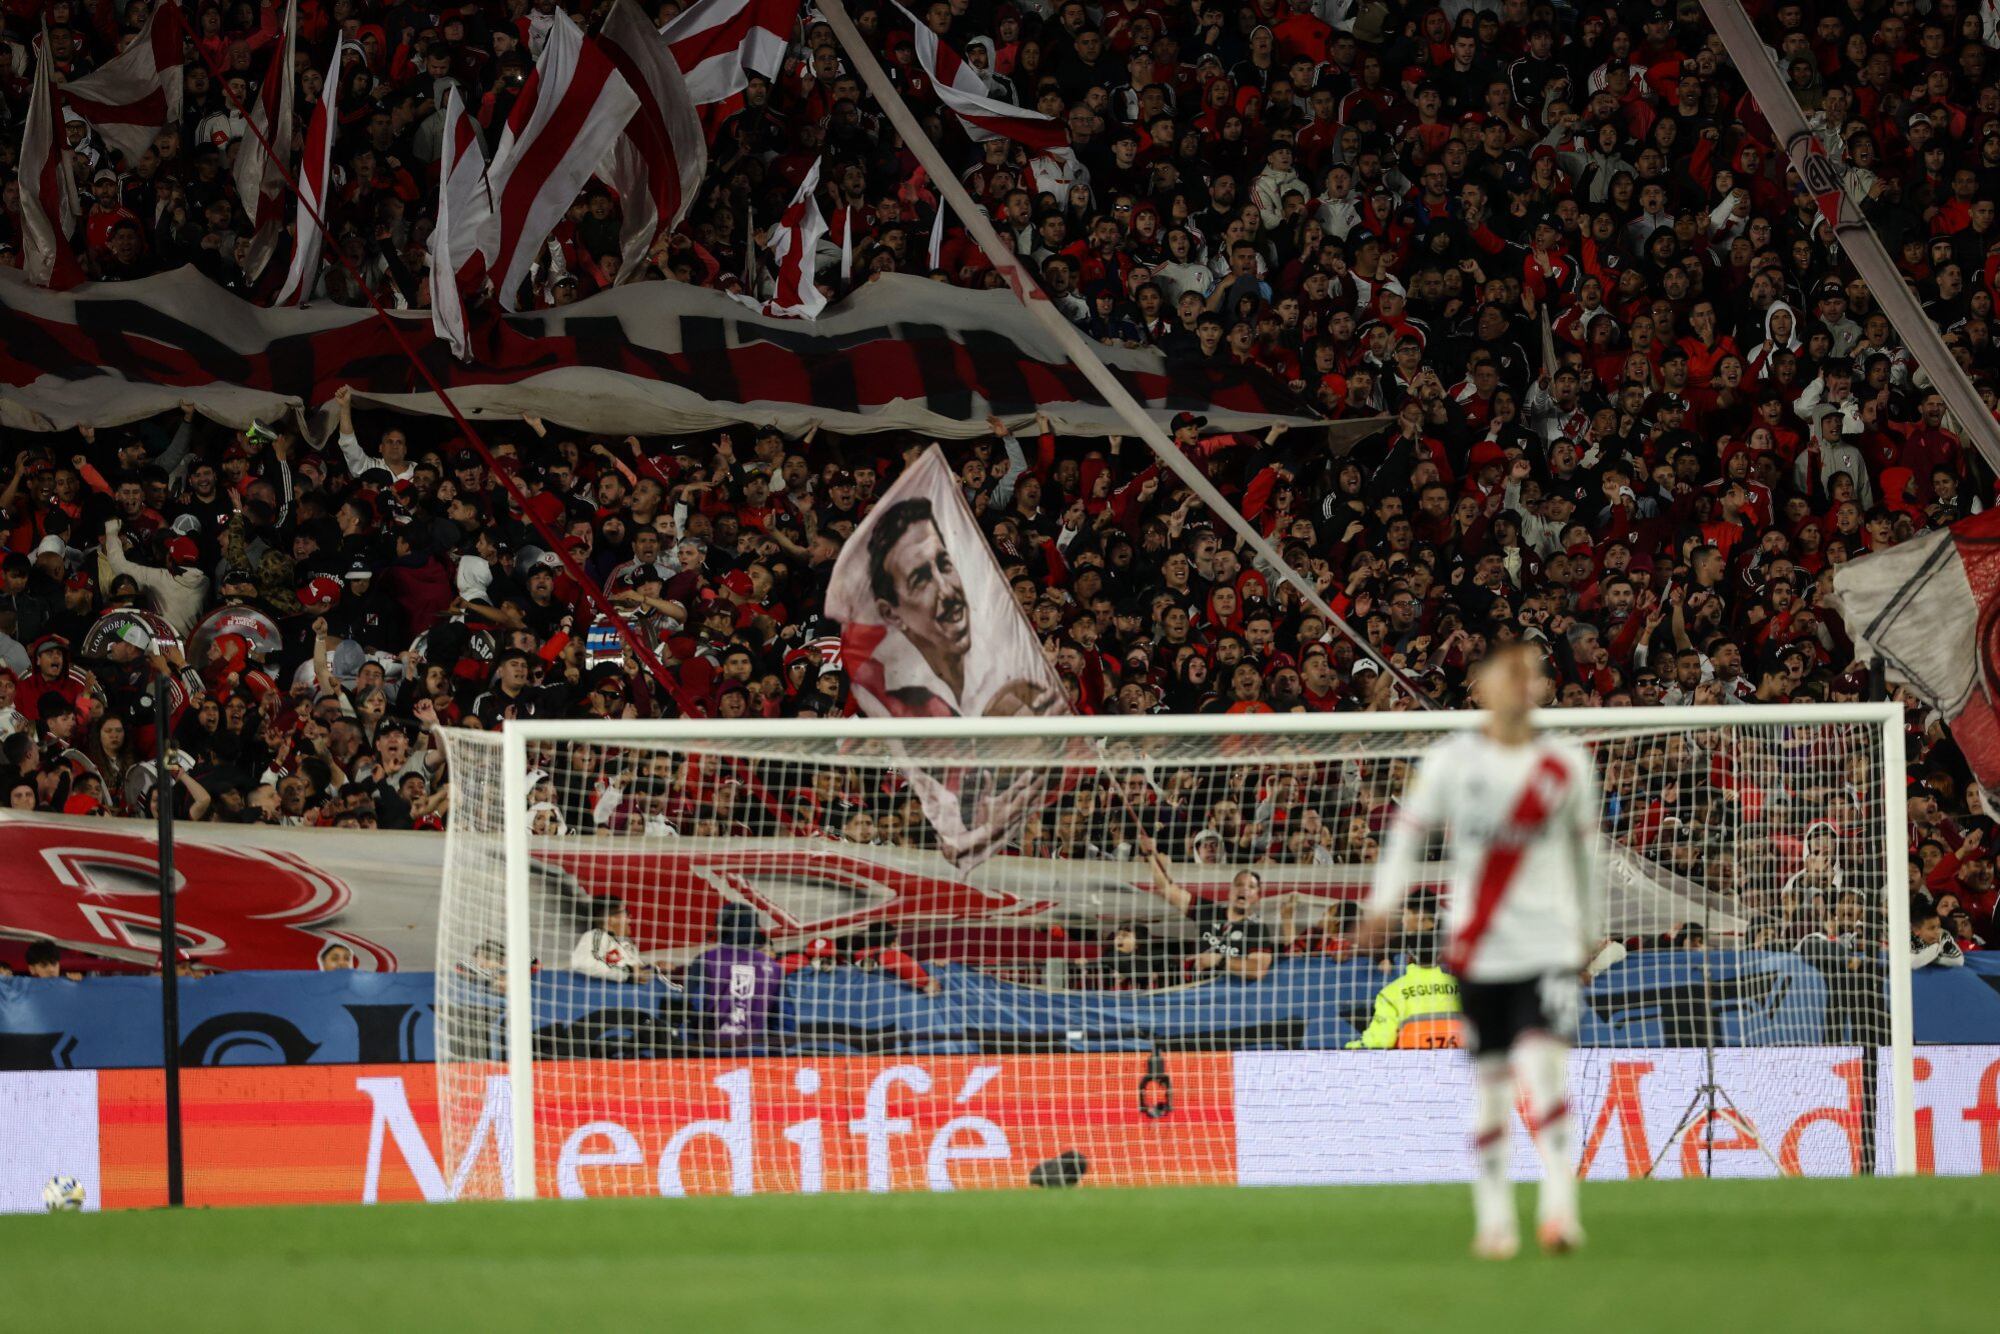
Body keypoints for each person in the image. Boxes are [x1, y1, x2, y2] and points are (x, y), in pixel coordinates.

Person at [1363, 642, 1599, 1258]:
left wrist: (1585, 930)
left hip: (1545, 944)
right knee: (1491, 1084)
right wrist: (1382, 903)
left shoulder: (1567, 764)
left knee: (1548, 1075)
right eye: (1506, 673)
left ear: (1541, 689)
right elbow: (1406, 835)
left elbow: (1584, 856)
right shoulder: (1450, 761)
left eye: (1532, 674)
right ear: (1480, 686)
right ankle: (1494, 1220)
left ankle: (1559, 1212)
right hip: (1479, 949)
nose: (1519, 684)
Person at [1135, 829, 1276, 982]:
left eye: (1251, 887)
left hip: (1231, 995)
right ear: (1230, 891)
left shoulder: (1257, 928)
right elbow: (1168, 890)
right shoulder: (1208, 910)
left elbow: (1258, 969)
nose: (1244, 889)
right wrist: (1150, 855)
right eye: (1239, 884)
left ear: (1257, 897)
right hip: (1198, 989)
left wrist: (1219, 960)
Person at [1346, 918, 1462, 1050]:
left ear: (1408, 957)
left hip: (1413, 1064)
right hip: (1460, 1062)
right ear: (1439, 956)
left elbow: (1381, 1041)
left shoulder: (1390, 994)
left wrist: (1352, 1046)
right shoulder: (1460, 987)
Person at [684, 904, 783, 1045]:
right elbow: (782, 1014)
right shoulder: (773, 966)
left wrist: (693, 1041)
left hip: (712, 1049)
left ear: (723, 926)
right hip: (756, 1049)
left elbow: (692, 1005)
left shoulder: (708, 959)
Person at [571, 897, 654, 983]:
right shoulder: (595, 935)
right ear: (611, 919)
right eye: (626, 913)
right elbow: (583, 963)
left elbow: (637, 971)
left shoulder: (627, 944)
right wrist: (628, 973)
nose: (630, 917)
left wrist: (655, 968)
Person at [1911, 900, 1965, 970]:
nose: (1937, 932)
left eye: (1938, 926)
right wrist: (1936, 947)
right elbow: (1913, 964)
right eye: (1932, 928)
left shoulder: (1943, 934)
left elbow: (1959, 961)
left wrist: (1931, 958)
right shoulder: (1905, 938)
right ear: (1916, 930)